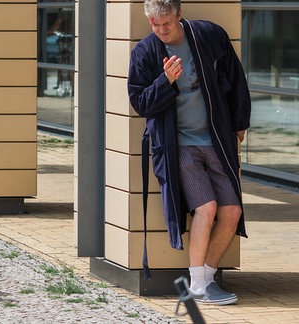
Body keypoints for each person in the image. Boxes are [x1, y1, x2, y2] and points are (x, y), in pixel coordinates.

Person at [127, 0, 251, 305]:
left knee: (231, 211)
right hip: (178, 146)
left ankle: (205, 280)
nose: (160, 30)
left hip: (215, 141)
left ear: (180, 15)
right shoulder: (145, 52)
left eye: (166, 23)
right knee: (206, 208)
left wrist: (239, 122)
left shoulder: (208, 36)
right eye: (154, 25)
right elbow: (141, 103)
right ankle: (197, 283)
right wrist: (165, 80)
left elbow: (236, 80)